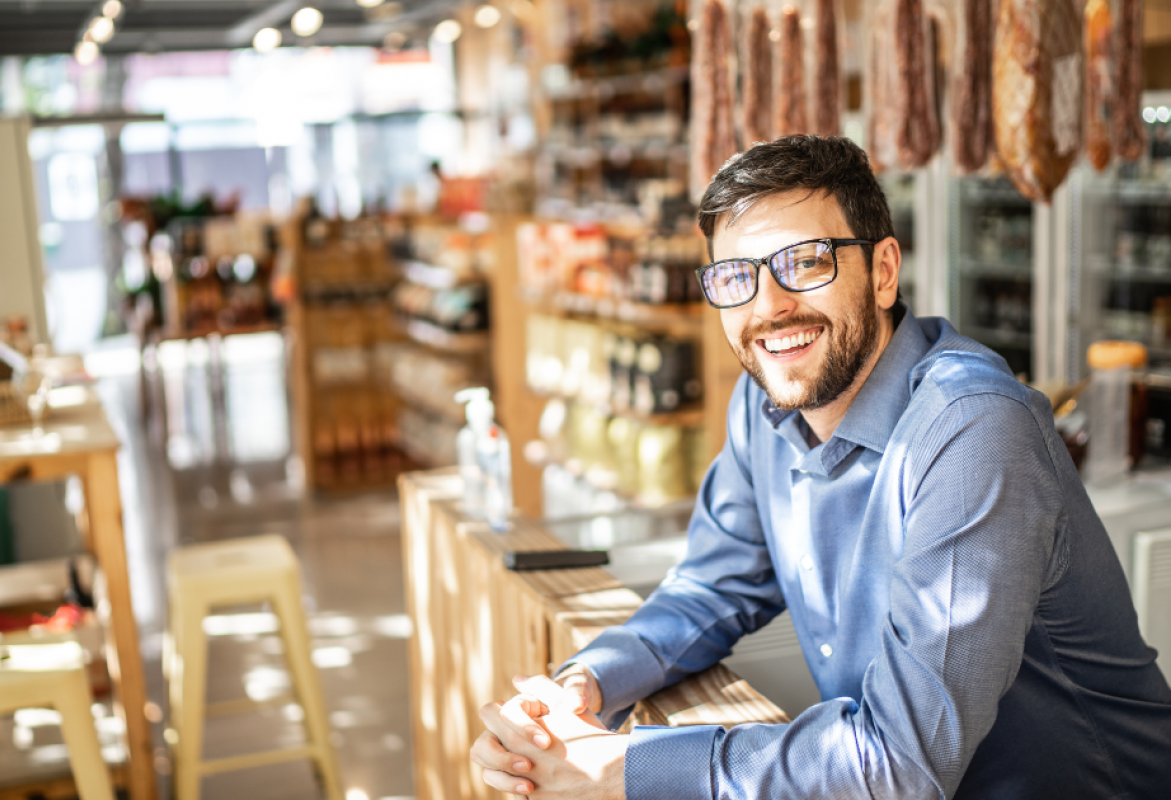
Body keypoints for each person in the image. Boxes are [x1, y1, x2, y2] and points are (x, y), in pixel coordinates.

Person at [470, 136, 1171, 799]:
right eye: (736, 277)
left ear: (884, 272)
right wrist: (583, 685)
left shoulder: (973, 427)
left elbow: (899, 761)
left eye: (805, 262)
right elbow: (712, 587)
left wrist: (629, 770)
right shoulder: (764, 400)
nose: (769, 308)